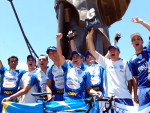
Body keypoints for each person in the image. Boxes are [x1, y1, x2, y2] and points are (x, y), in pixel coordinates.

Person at [86, 28, 133, 106]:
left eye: (114, 50)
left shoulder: (124, 62)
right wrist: (90, 37)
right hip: (110, 98)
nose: (112, 51)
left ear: (119, 52)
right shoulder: (106, 62)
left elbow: (130, 81)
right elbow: (92, 51)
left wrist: (130, 94)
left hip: (125, 97)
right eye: (110, 50)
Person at [56, 33, 102, 101]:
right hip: (67, 100)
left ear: (82, 60)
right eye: (73, 57)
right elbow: (59, 55)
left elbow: (88, 89)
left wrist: (95, 93)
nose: (75, 58)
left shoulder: (86, 72)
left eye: (77, 56)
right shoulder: (67, 67)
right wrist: (58, 40)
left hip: (80, 101)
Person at [129, 17, 150, 106]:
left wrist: (142, 22)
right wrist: (135, 95)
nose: (136, 40)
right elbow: (134, 78)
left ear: (142, 41)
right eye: (134, 40)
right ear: (132, 44)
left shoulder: (148, 49)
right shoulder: (132, 60)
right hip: (143, 89)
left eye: (138, 39)